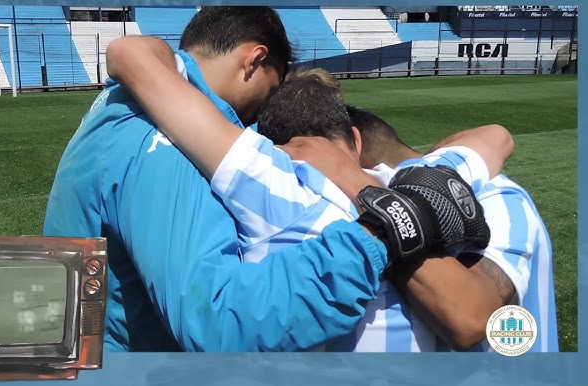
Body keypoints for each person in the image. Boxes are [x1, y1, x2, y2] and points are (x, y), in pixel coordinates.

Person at [45, 7, 488, 352]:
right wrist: (379, 233)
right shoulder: (163, 140)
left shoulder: (125, 102)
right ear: (255, 61)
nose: (267, 116)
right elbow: (219, 324)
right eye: (273, 90)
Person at [338, 106, 558, 352]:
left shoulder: (496, 195)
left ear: (354, 146)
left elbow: (468, 318)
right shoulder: (494, 189)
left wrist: (353, 182)